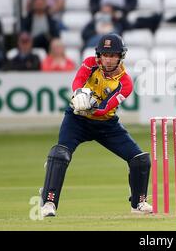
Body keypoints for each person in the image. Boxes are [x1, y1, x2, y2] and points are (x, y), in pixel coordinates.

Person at [40, 33, 152, 217]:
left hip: (106, 125)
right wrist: (78, 94)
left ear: (120, 56)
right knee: (60, 154)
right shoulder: (90, 63)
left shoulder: (125, 82)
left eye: (113, 55)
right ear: (99, 55)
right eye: (105, 55)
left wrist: (90, 105)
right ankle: (49, 202)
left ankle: (138, 203)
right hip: (77, 120)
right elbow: (78, 80)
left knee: (140, 159)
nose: (108, 60)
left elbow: (105, 107)